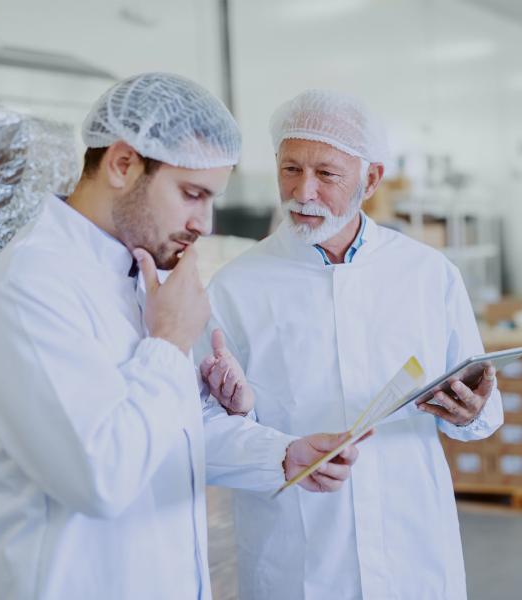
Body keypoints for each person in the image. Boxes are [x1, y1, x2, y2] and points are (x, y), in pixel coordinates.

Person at [0, 74, 360, 600]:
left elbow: (163, 435)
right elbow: (100, 475)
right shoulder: (28, 287)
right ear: (124, 164)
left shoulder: (142, 277)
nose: (204, 223)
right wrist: (167, 345)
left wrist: (280, 455)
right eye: (192, 194)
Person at [197, 89, 503, 600]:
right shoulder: (234, 287)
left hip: (413, 548)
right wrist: (279, 451)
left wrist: (470, 411)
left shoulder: (428, 275)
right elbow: (201, 427)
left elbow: (481, 411)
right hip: (297, 554)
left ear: (371, 178)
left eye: (327, 174)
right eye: (290, 169)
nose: (304, 191)